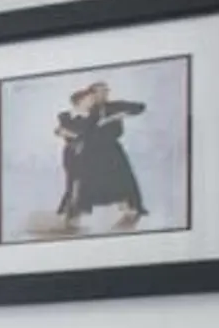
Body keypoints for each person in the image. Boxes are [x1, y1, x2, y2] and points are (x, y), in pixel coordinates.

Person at [52, 80, 154, 231]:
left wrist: (121, 115)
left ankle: (132, 208)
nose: (104, 94)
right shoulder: (84, 112)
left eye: (106, 91)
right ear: (91, 94)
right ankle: (72, 214)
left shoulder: (113, 106)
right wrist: (66, 133)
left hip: (111, 150)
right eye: (99, 92)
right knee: (81, 183)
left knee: (124, 178)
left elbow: (139, 107)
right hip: (88, 152)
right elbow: (77, 131)